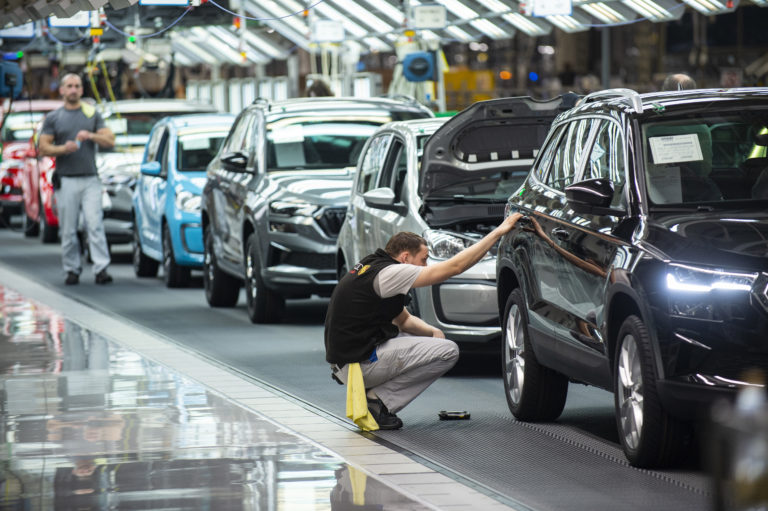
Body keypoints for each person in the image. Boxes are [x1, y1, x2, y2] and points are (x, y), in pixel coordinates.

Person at [324, 213, 524, 429]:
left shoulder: (374, 267)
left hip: (348, 362)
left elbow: (404, 320)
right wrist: (498, 232)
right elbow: (453, 268)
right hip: (358, 364)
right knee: (449, 351)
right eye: (424, 259)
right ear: (405, 258)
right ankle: (377, 401)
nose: (426, 265)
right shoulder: (392, 273)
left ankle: (375, 395)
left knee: (435, 343)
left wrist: (432, 332)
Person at [39, 73, 115, 285]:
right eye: (69, 86)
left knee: (95, 224)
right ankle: (72, 269)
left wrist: (91, 136)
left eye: (77, 86)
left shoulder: (91, 114)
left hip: (90, 179)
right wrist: (63, 148)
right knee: (68, 228)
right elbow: (43, 147)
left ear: (82, 90)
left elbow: (110, 139)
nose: (73, 89)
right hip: (67, 179)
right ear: (62, 90)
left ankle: (101, 268)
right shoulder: (54, 118)